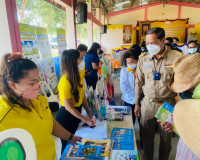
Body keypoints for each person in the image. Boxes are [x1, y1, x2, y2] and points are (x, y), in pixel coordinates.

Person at [0, 52, 82, 160]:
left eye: (37, 80)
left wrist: (70, 137)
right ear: (13, 84)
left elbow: (49, 122)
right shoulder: (3, 115)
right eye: (32, 83)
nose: (38, 86)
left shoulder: (39, 100)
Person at [134, 27, 181, 160]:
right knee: (147, 141)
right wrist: (136, 103)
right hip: (147, 104)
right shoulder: (143, 59)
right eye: (147, 43)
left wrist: (180, 108)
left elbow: (182, 85)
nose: (149, 46)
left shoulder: (176, 58)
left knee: (166, 142)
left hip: (167, 105)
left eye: (153, 43)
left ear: (163, 41)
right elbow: (138, 83)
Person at [158, 53, 200, 159]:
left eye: (188, 89)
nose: (183, 94)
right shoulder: (188, 103)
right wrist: (176, 125)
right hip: (183, 151)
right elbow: (190, 129)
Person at [55, 49, 95, 152]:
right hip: (66, 118)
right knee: (67, 147)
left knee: (76, 145)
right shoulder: (65, 82)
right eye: (80, 58)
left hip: (76, 115)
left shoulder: (79, 76)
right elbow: (68, 107)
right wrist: (85, 119)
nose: (82, 61)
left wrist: (90, 115)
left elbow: (83, 97)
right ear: (73, 62)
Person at [120, 50, 139, 124]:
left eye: (132, 62)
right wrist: (135, 95)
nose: (130, 64)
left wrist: (139, 96)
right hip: (128, 99)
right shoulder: (124, 71)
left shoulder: (142, 70)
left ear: (137, 60)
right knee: (130, 121)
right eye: (128, 63)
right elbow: (123, 86)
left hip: (141, 100)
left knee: (141, 120)